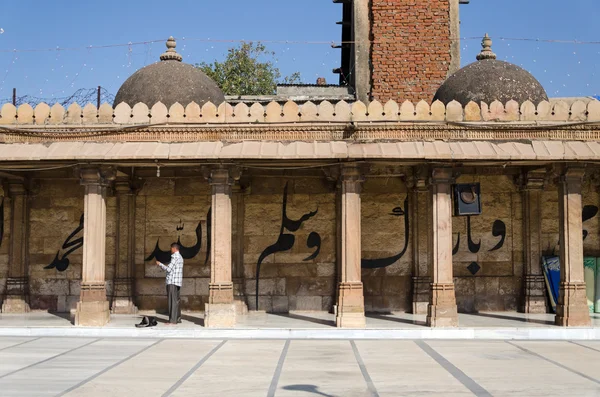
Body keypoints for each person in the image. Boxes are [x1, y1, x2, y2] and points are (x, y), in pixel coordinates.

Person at [156, 243, 183, 325]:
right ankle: (177, 318)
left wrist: (159, 264)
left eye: (171, 248)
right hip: (177, 282)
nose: (170, 250)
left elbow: (168, 269)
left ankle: (172, 320)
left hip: (172, 282)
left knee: (172, 301)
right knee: (176, 301)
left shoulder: (175, 257)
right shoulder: (180, 257)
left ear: (174, 249)